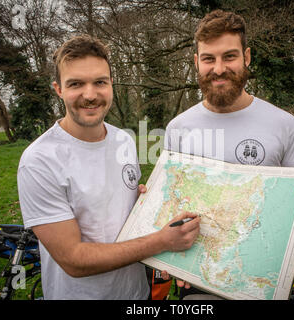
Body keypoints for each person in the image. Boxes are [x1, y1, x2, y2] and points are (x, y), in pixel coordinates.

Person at [163, 10, 294, 299]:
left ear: (247, 57)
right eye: (208, 59)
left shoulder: (285, 125)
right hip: (198, 278)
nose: (218, 68)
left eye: (229, 56)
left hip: (263, 277)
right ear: (197, 62)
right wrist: (171, 257)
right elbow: (172, 204)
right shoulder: (177, 128)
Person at [17, 35, 200, 300]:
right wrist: (162, 241)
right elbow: (74, 260)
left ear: (111, 84)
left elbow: (121, 211)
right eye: (76, 84)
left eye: (99, 82)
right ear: (58, 89)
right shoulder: (39, 161)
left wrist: (147, 205)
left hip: (137, 294)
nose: (90, 95)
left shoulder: (123, 139)